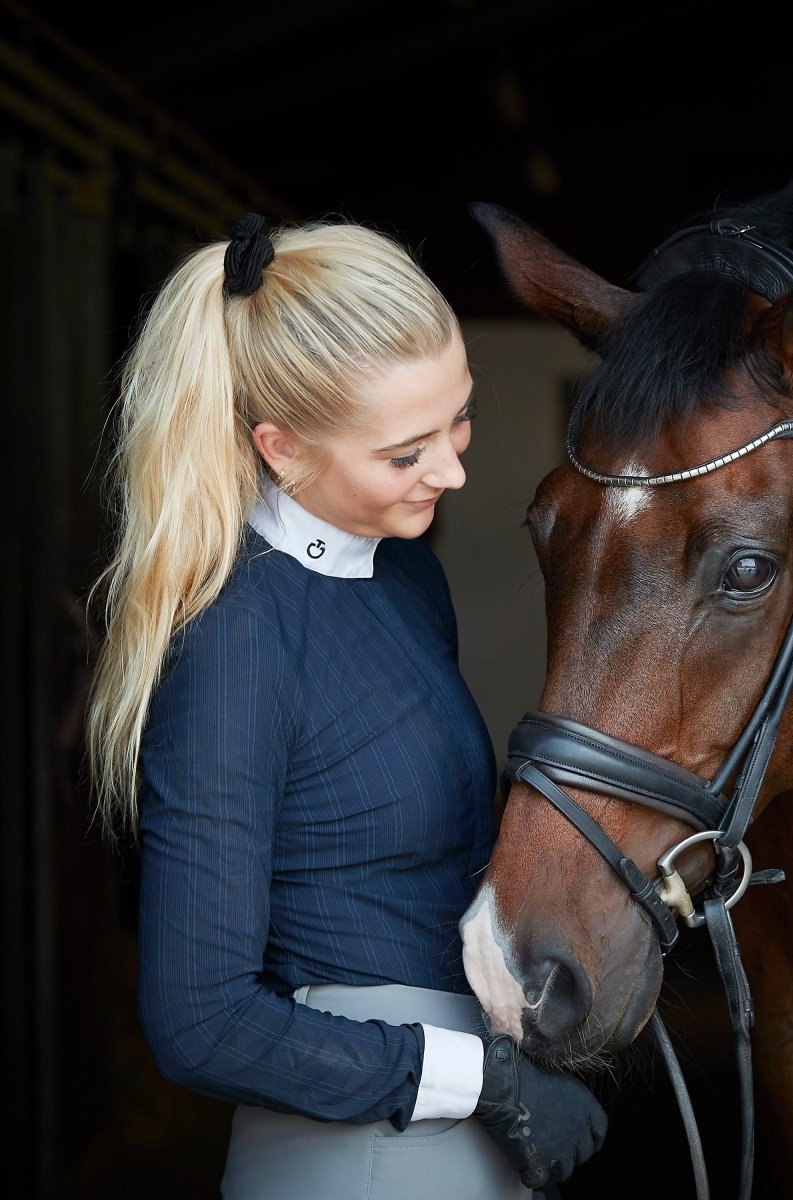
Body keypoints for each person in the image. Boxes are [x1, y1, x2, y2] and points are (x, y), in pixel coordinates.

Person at [85, 212, 607, 1199]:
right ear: (281, 450)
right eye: (406, 453)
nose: (452, 471)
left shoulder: (408, 581)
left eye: (461, 419)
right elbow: (199, 1020)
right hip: (358, 1152)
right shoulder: (236, 635)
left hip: (462, 1128)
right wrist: (478, 1078)